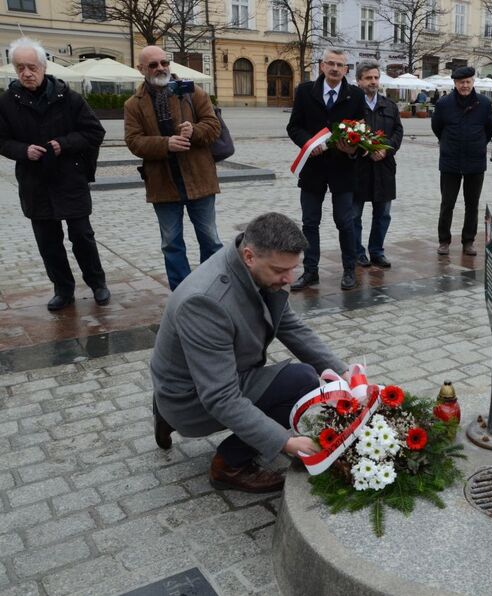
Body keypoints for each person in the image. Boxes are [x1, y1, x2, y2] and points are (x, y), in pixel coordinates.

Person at [150, 212, 348, 493]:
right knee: (301, 381)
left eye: (293, 268)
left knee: (306, 379)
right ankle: (228, 466)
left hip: (203, 377)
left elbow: (289, 325)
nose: (289, 278)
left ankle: (165, 413)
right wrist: (284, 442)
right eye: (281, 271)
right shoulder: (205, 303)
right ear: (249, 256)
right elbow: (220, 397)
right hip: (192, 396)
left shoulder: (256, 267)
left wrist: (342, 372)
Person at [0, 37, 110, 311]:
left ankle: (97, 284)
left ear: (43, 66)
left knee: (82, 237)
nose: (26, 73)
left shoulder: (69, 98)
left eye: (31, 67)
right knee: (49, 243)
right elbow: (1, 140)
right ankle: (63, 289)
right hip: (34, 183)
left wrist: (65, 144)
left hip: (69, 179)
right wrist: (23, 150)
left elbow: (95, 132)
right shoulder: (6, 103)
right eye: (20, 67)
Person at [124, 45, 223, 291]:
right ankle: (182, 292)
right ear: (141, 69)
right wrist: (166, 144)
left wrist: (194, 131)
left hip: (199, 179)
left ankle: (214, 287)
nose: (161, 68)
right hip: (163, 183)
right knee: (171, 243)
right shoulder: (133, 104)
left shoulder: (193, 92)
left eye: (164, 63)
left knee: (210, 239)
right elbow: (133, 141)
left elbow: (213, 126)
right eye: (153, 65)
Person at [287, 48, 366, 291]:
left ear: (346, 69)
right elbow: (294, 127)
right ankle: (311, 271)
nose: (334, 68)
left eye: (339, 65)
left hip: (343, 170)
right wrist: (308, 144)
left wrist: (352, 148)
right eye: (330, 63)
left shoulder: (355, 95)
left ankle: (349, 270)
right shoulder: (304, 91)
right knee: (310, 222)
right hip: (313, 169)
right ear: (321, 66)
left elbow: (362, 132)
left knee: (345, 222)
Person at [432, 66, 492, 256]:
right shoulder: (444, 103)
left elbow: (490, 127)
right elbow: (437, 127)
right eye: (461, 82)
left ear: (473, 82)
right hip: (450, 161)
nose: (465, 85)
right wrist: (448, 144)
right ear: (455, 83)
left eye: (468, 81)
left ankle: (468, 241)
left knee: (472, 204)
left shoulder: (484, 103)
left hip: (475, 162)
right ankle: (444, 240)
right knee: (447, 203)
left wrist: (477, 143)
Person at [353, 60, 404, 269]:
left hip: (384, 169)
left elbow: (398, 132)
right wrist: (365, 150)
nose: (373, 82)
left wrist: (386, 148)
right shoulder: (352, 105)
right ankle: (357, 252)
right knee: (354, 214)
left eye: (375, 77)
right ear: (358, 81)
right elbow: (346, 133)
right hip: (358, 169)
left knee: (382, 214)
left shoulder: (389, 105)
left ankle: (377, 251)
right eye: (368, 78)